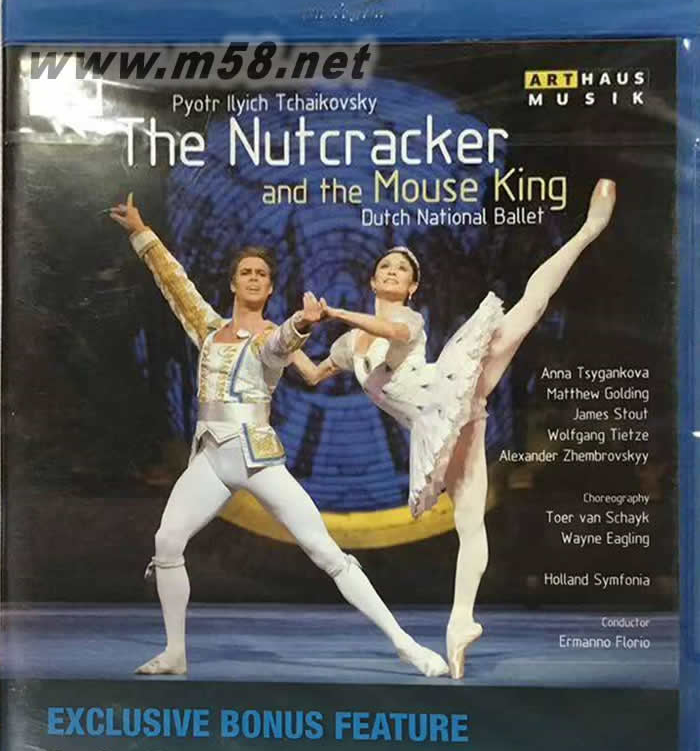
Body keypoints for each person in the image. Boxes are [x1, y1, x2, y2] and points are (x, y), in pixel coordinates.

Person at [109, 194, 449, 678]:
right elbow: (175, 283)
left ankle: (405, 644)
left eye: (261, 274)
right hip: (209, 457)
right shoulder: (209, 329)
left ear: (270, 288)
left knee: (325, 552)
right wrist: (140, 231)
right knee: (167, 541)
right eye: (245, 272)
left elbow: (280, 344)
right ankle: (175, 653)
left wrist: (303, 322)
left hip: (256, 457)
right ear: (233, 282)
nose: (253, 278)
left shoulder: (272, 335)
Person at [291, 179, 617, 679]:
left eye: (402, 269)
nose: (393, 271)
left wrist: (332, 312)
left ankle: (589, 229)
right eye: (385, 267)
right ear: (373, 281)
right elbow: (313, 375)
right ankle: (460, 624)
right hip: (440, 427)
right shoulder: (348, 343)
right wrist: (279, 337)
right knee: (469, 521)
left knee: (528, 309)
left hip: (449, 389)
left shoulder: (409, 321)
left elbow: (392, 332)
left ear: (411, 288)